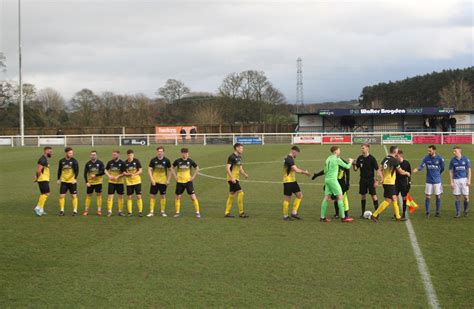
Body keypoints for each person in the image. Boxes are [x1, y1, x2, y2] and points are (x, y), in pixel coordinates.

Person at [371, 146, 410, 222]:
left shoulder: (385, 159)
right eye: (397, 151)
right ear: (395, 152)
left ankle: (398, 216)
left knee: (394, 198)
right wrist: (407, 173)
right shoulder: (395, 161)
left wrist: (381, 178)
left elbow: (379, 170)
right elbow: (401, 172)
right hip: (390, 183)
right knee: (388, 201)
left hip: (386, 182)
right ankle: (374, 215)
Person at [320, 146, 354, 223]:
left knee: (326, 198)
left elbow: (325, 171)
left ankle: (322, 217)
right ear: (335, 151)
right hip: (333, 180)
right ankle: (343, 218)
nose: (339, 151)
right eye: (339, 150)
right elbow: (347, 167)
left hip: (327, 179)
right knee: (340, 197)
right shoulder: (336, 159)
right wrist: (351, 161)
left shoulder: (328, 158)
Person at [413, 145, 445, 217]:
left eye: (430, 151)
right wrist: (417, 169)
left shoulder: (439, 158)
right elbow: (422, 165)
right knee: (428, 196)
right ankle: (427, 212)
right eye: (428, 151)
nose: (428, 152)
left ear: (434, 150)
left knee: (438, 196)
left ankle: (437, 212)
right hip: (429, 181)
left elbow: (442, 168)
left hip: (437, 181)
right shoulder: (426, 158)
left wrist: (438, 174)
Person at [282, 146, 310, 221]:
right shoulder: (289, 159)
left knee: (299, 195)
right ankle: (285, 216)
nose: (297, 155)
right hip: (288, 182)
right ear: (294, 151)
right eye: (297, 153)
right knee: (287, 199)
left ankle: (294, 212)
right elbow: (296, 170)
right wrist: (305, 172)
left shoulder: (288, 158)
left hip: (293, 181)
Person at [171, 148, 201, 218]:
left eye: (186, 153)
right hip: (180, 182)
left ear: (188, 153)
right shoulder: (177, 161)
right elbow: (172, 168)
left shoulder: (190, 161)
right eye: (183, 153)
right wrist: (175, 176)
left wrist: (193, 177)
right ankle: (177, 212)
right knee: (178, 197)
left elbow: (197, 168)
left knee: (193, 198)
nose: (185, 154)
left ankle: (197, 212)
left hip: (188, 182)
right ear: (181, 153)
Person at [353, 143, 379, 218]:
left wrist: (376, 181)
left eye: (363, 148)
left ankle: (377, 213)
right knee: (363, 196)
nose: (362, 149)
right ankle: (362, 213)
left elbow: (377, 170)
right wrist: (353, 164)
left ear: (367, 148)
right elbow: (355, 169)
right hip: (362, 180)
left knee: (373, 196)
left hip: (371, 180)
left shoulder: (372, 158)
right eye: (361, 148)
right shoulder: (360, 158)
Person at [225, 143, 249, 218]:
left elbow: (240, 168)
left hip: (236, 178)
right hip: (232, 179)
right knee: (241, 193)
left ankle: (227, 212)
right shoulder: (231, 157)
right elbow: (227, 168)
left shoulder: (239, 157)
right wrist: (232, 177)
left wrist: (244, 174)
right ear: (236, 148)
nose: (242, 150)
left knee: (231, 194)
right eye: (241, 148)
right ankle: (241, 213)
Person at [147, 146, 172, 217]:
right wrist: (152, 180)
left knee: (163, 196)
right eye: (158, 151)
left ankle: (162, 211)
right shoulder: (153, 160)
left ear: (163, 152)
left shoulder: (167, 160)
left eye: (161, 151)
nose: (160, 153)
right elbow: (149, 169)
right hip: (154, 181)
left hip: (163, 182)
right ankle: (151, 211)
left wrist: (168, 180)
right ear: (157, 152)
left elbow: (170, 170)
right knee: (152, 196)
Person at [449, 146, 471, 218]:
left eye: (455, 151)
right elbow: (451, 171)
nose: (454, 152)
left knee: (466, 197)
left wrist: (469, 180)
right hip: (456, 180)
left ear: (459, 151)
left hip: (464, 180)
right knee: (457, 197)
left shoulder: (465, 159)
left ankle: (466, 210)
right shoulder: (452, 160)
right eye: (453, 151)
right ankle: (458, 212)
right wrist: (451, 181)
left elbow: (469, 170)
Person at [57, 147, 79, 216]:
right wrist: (58, 179)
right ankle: (62, 210)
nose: (71, 154)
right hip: (64, 181)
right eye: (70, 153)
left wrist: (75, 179)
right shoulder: (61, 161)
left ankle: (75, 210)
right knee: (61, 196)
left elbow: (77, 171)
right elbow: (59, 170)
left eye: (72, 153)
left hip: (72, 182)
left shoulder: (74, 161)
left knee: (74, 196)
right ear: (66, 153)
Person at [83, 150, 105, 216]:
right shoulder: (87, 163)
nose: (93, 156)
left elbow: (103, 172)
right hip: (90, 183)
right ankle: (86, 210)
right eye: (92, 155)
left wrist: (96, 175)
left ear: (96, 155)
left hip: (98, 182)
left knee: (99, 196)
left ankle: (99, 210)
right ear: (90, 156)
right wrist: (86, 182)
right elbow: (85, 173)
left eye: (94, 155)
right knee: (88, 196)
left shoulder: (100, 163)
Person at [33, 146, 53, 216]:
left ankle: (41, 209)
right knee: (46, 194)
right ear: (45, 151)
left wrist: (36, 177)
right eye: (50, 152)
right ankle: (38, 207)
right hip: (43, 179)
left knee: (43, 194)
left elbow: (39, 169)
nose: (51, 153)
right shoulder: (42, 159)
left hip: (44, 179)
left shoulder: (44, 159)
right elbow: (39, 170)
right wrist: (37, 177)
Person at [105, 150, 125, 217]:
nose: (113, 156)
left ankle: (120, 211)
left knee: (120, 197)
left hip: (120, 182)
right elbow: (105, 170)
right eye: (113, 154)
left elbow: (124, 173)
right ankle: (109, 211)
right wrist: (109, 176)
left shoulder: (122, 163)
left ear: (118, 155)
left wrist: (118, 176)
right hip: (111, 182)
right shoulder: (110, 162)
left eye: (115, 155)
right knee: (110, 197)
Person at [123, 149, 143, 217]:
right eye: (129, 155)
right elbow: (123, 172)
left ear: (133, 155)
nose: (130, 156)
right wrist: (128, 174)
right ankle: (130, 212)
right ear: (127, 155)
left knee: (138, 196)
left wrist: (134, 174)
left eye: (131, 155)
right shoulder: (125, 162)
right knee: (129, 197)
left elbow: (140, 170)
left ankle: (140, 211)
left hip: (137, 181)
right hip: (129, 182)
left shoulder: (136, 161)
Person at [395, 150, 412, 220]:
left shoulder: (406, 163)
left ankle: (404, 214)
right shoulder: (395, 163)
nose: (396, 157)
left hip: (404, 183)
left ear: (401, 155)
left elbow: (409, 174)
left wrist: (409, 183)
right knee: (394, 198)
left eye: (397, 156)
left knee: (404, 198)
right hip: (396, 182)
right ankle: (396, 213)